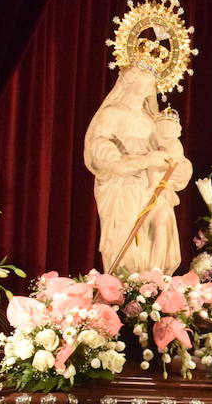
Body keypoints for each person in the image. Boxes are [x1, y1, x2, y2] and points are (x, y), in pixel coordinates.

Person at [82, 65, 192, 275]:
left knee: (160, 226)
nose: (150, 81)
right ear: (129, 79)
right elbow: (101, 149)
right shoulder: (111, 114)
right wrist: (141, 161)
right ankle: (129, 288)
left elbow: (173, 153)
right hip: (126, 187)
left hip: (156, 187)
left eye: (152, 77)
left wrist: (179, 169)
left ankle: (155, 283)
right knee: (127, 240)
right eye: (145, 75)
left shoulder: (154, 119)